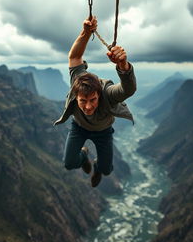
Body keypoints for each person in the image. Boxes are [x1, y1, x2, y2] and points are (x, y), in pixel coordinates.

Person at [54, 16, 136, 187]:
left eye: (93, 100)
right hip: (79, 127)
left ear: (99, 94)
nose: (89, 106)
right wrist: (85, 33)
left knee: (106, 170)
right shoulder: (78, 81)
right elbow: (75, 56)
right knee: (70, 163)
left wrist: (123, 65)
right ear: (76, 96)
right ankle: (84, 155)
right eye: (83, 101)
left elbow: (128, 89)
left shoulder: (107, 93)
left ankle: (98, 168)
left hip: (103, 131)